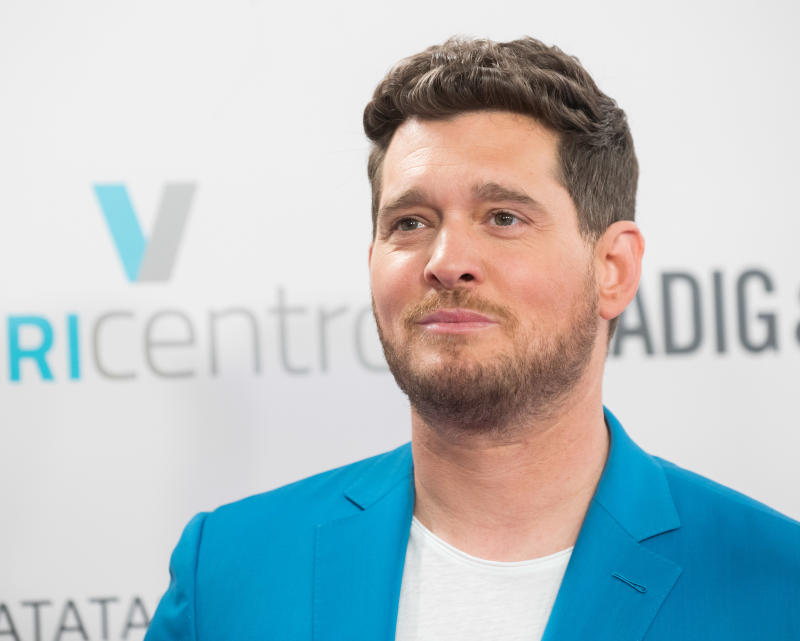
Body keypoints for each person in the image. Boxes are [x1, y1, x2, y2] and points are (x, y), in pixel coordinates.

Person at [144, 37, 800, 640]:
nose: (446, 258)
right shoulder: (227, 570)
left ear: (613, 269)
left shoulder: (779, 586)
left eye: (503, 216)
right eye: (410, 221)